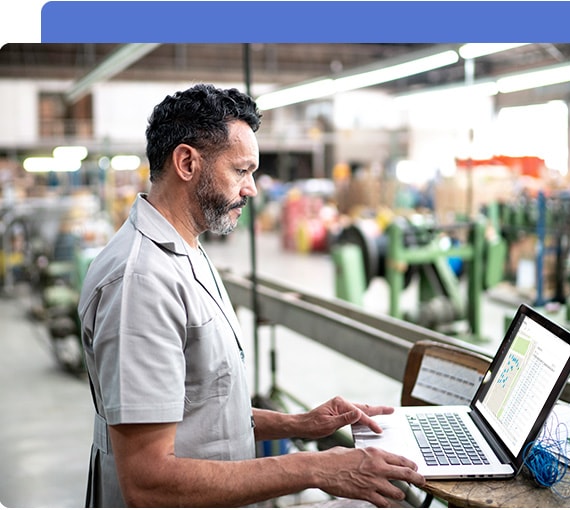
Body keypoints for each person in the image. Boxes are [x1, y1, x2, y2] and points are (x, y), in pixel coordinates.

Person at [78, 83, 425, 508]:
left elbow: (199, 412)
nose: (252, 189)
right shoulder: (141, 281)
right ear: (187, 162)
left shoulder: (185, 249)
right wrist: (314, 468)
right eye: (241, 171)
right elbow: (148, 480)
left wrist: (298, 423)